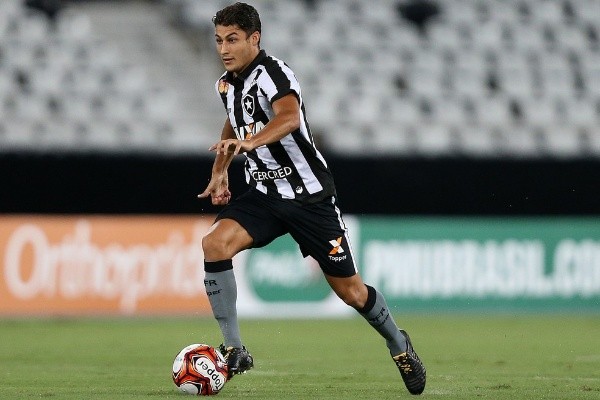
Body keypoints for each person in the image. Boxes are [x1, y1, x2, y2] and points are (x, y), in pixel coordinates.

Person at [198, 2, 426, 395]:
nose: (224, 49)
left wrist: (250, 143)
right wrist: (220, 170)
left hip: (309, 198)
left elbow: (288, 118)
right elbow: (233, 122)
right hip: (265, 194)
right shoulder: (225, 84)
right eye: (219, 40)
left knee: (352, 292)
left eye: (232, 39)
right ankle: (235, 349)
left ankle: (398, 343)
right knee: (214, 244)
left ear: (254, 38)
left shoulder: (274, 74)